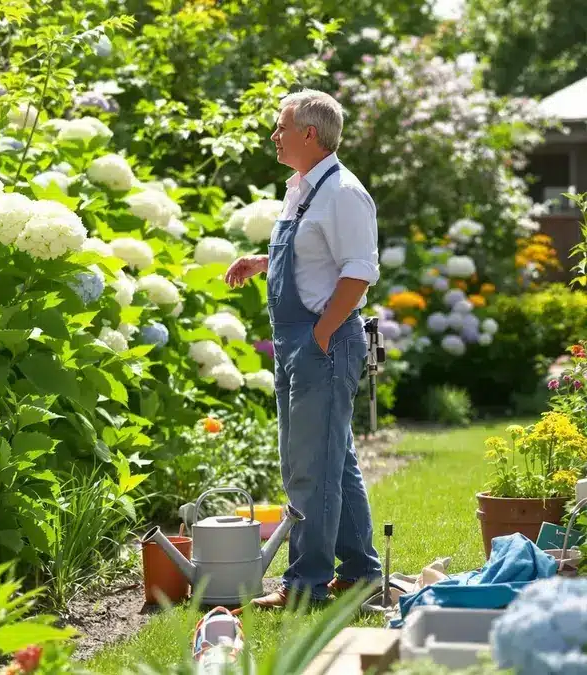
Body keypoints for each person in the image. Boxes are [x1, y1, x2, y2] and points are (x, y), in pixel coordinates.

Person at [224, 89, 383, 608]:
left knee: (308, 467)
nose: (275, 136)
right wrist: (259, 261)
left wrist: (322, 333)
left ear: (308, 134)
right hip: (299, 344)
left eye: (280, 127)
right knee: (333, 462)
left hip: (323, 343)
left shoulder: (343, 193)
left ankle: (306, 586)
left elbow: (359, 272)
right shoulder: (302, 189)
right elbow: (314, 260)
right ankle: (361, 574)